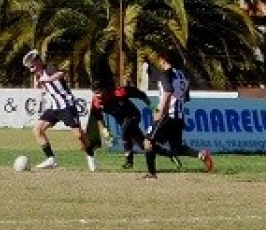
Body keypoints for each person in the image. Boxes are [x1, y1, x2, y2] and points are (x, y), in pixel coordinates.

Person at [142, 48, 213, 179]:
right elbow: (186, 97)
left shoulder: (165, 75)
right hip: (179, 117)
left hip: (167, 116)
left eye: (160, 60)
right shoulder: (182, 75)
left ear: (163, 60)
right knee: (177, 148)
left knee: (148, 141)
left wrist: (160, 112)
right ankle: (201, 154)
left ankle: (151, 174)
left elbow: (168, 93)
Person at [22, 50, 96, 171]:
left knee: (79, 135)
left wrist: (48, 80)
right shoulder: (38, 74)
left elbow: (61, 73)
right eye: (30, 68)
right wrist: (39, 83)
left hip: (67, 105)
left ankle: (91, 156)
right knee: (37, 130)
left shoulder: (49, 68)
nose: (31, 70)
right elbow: (40, 87)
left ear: (39, 62)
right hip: (54, 107)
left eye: (33, 66)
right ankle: (51, 159)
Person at [89, 79, 180, 170]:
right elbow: (98, 117)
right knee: (144, 145)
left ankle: (129, 161)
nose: (97, 96)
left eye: (99, 92)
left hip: (133, 115)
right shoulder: (96, 102)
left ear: (104, 90)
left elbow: (140, 94)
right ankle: (170, 154)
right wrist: (104, 130)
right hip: (122, 120)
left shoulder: (118, 92)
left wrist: (150, 105)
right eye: (95, 93)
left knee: (124, 131)